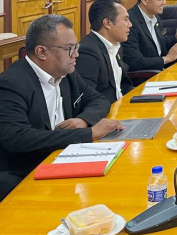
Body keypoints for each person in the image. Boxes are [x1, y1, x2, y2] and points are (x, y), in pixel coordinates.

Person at [0, 15, 123, 201]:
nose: (76, 55)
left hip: (62, 158)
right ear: (41, 52)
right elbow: (18, 138)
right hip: (25, 172)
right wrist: (89, 133)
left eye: (76, 47)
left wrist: (83, 120)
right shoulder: (11, 84)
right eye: (69, 49)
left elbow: (98, 99)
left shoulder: (66, 73)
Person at [75, 0, 134, 104]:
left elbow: (122, 86)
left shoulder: (115, 45)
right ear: (107, 23)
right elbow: (86, 99)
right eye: (125, 19)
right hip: (106, 111)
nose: (130, 24)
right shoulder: (88, 52)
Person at [122, 0, 177, 71]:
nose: (164, 3)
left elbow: (163, 44)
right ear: (145, 0)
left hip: (162, 71)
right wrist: (167, 59)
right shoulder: (130, 23)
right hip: (147, 76)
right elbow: (135, 62)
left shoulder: (155, 17)